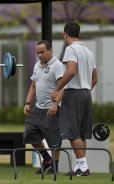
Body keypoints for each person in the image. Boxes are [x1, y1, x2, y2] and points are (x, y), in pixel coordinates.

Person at [51, 22, 98, 176]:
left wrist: (57, 89)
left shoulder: (70, 49)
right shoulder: (88, 51)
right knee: (82, 133)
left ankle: (83, 168)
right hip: (86, 93)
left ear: (65, 34)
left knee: (72, 133)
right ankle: (81, 167)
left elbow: (70, 72)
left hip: (73, 94)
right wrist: (84, 88)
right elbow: (95, 78)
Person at [23, 40, 64, 174]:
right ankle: (47, 160)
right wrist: (28, 103)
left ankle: (55, 167)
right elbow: (33, 85)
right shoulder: (37, 66)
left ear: (50, 50)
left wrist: (55, 104)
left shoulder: (57, 65)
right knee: (29, 134)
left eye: (42, 52)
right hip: (37, 108)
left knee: (54, 140)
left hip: (52, 109)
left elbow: (62, 87)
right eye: (37, 52)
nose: (40, 55)